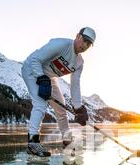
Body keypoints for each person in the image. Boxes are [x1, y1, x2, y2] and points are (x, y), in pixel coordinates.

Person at [22, 27, 96, 158]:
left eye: (89, 44)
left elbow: (75, 85)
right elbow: (35, 59)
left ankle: (67, 141)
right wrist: (41, 77)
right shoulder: (60, 44)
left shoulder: (79, 62)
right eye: (84, 40)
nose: (85, 45)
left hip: (49, 78)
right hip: (32, 70)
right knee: (40, 103)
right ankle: (32, 143)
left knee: (61, 109)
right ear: (78, 36)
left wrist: (78, 107)